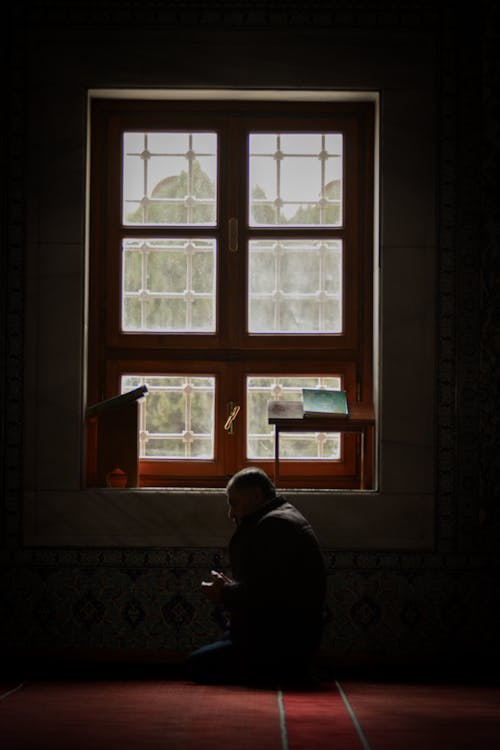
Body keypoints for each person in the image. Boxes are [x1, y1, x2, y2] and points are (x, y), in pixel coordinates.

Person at [186, 467, 326, 686]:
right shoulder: (279, 518)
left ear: (256, 497)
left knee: (196, 665)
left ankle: (285, 672)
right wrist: (230, 587)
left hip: (282, 642)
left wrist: (222, 591)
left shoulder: (275, 526)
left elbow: (266, 595)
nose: (231, 514)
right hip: (279, 634)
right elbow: (271, 586)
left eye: (234, 503)